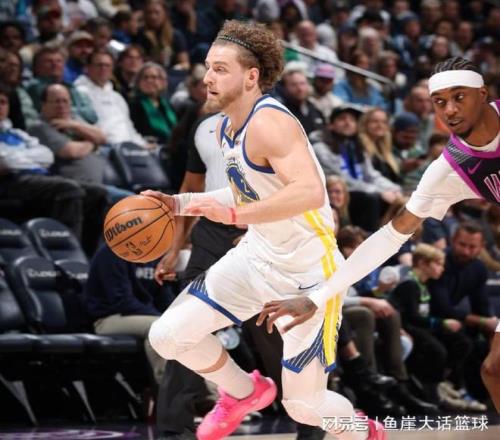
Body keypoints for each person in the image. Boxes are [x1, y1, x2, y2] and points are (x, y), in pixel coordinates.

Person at [144, 20, 385, 440]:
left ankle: (363, 433)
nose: (208, 77)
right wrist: (180, 203)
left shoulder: (270, 122)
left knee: (305, 405)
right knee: (167, 335)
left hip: (307, 274)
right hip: (256, 257)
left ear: (251, 76)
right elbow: (248, 190)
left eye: (220, 69)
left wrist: (235, 215)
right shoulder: (225, 126)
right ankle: (243, 392)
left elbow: (309, 192)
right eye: (208, 67)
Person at [256, 56, 500, 409]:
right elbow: (389, 237)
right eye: (440, 101)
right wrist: (318, 297)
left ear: (483, 94)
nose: (449, 110)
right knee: (494, 370)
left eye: (459, 97)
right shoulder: (449, 169)